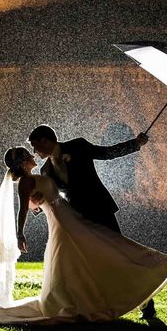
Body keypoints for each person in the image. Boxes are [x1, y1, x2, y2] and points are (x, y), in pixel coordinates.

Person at [0, 147, 167, 326]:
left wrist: (41, 202)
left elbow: (40, 200)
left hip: (69, 215)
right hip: (60, 220)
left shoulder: (40, 174)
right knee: (79, 253)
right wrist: (20, 232)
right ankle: (80, 299)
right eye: (30, 153)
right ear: (24, 162)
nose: (34, 154)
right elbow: (24, 208)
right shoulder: (25, 181)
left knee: (91, 250)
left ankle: (96, 292)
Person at [28, 124, 159, 319]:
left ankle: (146, 305)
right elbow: (53, 196)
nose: (34, 151)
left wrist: (135, 144)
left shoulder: (78, 145)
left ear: (45, 141)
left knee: (120, 254)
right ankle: (98, 305)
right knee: (91, 263)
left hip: (101, 208)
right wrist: (36, 205)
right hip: (78, 219)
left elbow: (106, 153)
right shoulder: (46, 170)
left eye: (35, 146)